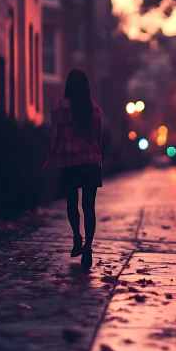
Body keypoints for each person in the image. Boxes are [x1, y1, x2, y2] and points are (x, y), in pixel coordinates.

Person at [44, 69, 103, 270]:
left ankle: (77, 237)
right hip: (90, 161)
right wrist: (99, 158)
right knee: (89, 206)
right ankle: (88, 245)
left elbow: (55, 137)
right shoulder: (95, 109)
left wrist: (48, 160)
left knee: (72, 202)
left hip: (69, 161)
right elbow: (98, 137)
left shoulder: (58, 107)